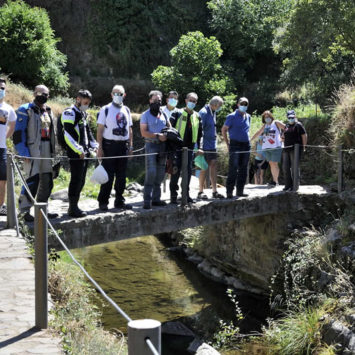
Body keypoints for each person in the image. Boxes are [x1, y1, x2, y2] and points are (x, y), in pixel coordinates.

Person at [14, 85, 57, 222]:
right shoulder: (25, 109)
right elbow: (18, 134)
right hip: (32, 149)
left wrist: (53, 152)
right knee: (31, 180)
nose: (42, 95)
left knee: (47, 181)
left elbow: (52, 133)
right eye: (40, 93)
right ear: (34, 93)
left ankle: (42, 209)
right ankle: (24, 211)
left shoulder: (49, 110)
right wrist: (24, 153)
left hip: (47, 150)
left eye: (46, 94)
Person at [61, 89, 98, 217]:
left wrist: (95, 145)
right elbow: (68, 134)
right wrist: (78, 150)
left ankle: (75, 205)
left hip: (85, 152)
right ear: (78, 99)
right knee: (76, 180)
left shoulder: (82, 113)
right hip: (76, 153)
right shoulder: (69, 113)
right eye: (85, 102)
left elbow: (88, 133)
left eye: (88, 103)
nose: (86, 105)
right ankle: (72, 208)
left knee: (81, 180)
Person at [96, 85, 133, 211]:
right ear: (111, 94)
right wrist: (99, 148)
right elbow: (100, 130)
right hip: (109, 146)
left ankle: (119, 201)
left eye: (120, 93)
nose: (118, 95)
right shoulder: (105, 109)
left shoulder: (127, 110)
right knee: (108, 175)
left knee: (121, 176)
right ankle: (103, 202)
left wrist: (131, 146)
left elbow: (130, 129)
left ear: (124, 95)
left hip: (123, 146)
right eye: (115, 93)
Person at [170, 92, 203, 204]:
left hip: (189, 149)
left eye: (194, 101)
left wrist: (200, 147)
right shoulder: (177, 112)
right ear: (185, 100)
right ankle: (173, 196)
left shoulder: (197, 116)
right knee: (175, 171)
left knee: (188, 172)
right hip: (177, 148)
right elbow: (169, 129)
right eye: (190, 100)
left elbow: (199, 134)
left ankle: (186, 195)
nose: (192, 103)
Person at [140, 90, 170, 209]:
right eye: (155, 100)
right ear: (150, 100)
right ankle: (147, 200)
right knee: (151, 172)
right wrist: (158, 135)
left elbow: (169, 127)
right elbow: (143, 133)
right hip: (151, 145)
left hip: (163, 146)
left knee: (160, 173)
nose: (157, 102)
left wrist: (168, 135)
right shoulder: (145, 114)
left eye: (159, 100)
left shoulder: (164, 114)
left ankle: (156, 199)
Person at [221, 97, 251, 198]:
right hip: (235, 144)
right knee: (233, 168)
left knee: (243, 169)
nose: (243, 106)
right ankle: (229, 192)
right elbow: (224, 129)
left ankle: (240, 191)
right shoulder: (231, 116)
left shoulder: (249, 116)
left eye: (245, 104)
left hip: (246, 145)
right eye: (242, 103)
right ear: (238, 104)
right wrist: (227, 144)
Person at [197, 96, 225, 199]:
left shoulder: (214, 112)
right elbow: (200, 130)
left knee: (213, 165)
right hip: (204, 144)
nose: (220, 108)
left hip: (212, 144)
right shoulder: (203, 112)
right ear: (214, 105)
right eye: (219, 106)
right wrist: (200, 146)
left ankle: (214, 191)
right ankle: (200, 191)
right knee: (203, 167)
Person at [252, 111, 285, 187]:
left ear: (271, 116)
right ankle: (274, 181)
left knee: (275, 163)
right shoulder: (265, 126)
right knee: (271, 164)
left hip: (276, 147)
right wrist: (251, 139)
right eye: (265, 117)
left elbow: (285, 127)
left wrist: (283, 136)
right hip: (267, 147)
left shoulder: (276, 123)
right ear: (264, 118)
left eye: (268, 116)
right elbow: (258, 132)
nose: (267, 118)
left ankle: (276, 181)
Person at [0, 78, 16, 215]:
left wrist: (5, 137)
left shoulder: (8, 108)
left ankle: (1, 205)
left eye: (3, 88)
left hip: (2, 148)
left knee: (2, 178)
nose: (1, 90)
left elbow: (13, 123)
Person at [282, 110, 307, 191]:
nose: (291, 118)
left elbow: (304, 135)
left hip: (295, 149)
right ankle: (288, 185)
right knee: (285, 167)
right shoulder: (286, 125)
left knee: (294, 167)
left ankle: (295, 186)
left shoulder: (298, 125)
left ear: (295, 116)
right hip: (286, 149)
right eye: (289, 117)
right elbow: (283, 136)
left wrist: (304, 146)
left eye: (292, 117)